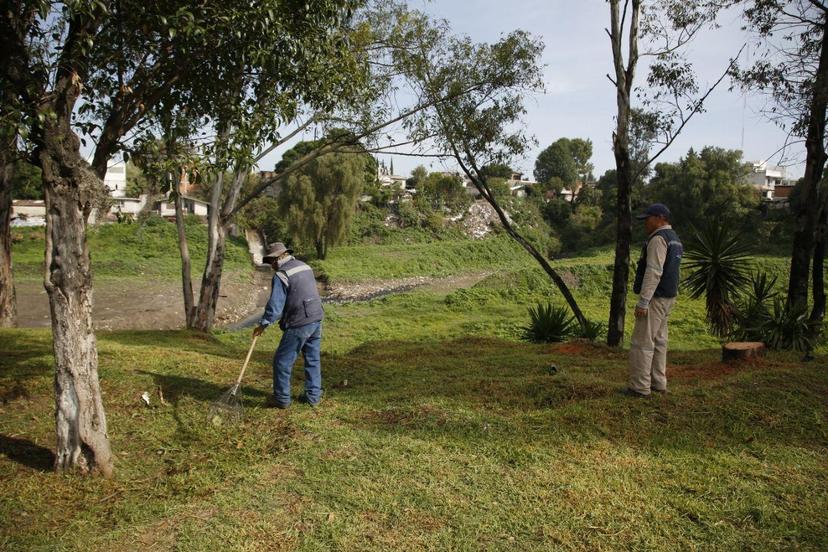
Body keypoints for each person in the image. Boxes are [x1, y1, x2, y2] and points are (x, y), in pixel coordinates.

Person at [253, 242, 324, 408]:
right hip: (316, 316)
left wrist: (263, 325)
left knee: (282, 362)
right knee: (312, 359)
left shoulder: (281, 275)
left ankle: (282, 399)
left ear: (277, 259)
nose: (271, 266)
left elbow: (275, 307)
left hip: (300, 322)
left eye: (271, 262)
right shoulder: (305, 266)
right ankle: (313, 397)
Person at [626, 203, 683, 397]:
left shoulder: (658, 239)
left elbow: (654, 271)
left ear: (660, 218)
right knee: (659, 341)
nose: (646, 223)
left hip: (655, 298)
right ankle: (658, 383)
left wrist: (643, 302)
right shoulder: (674, 239)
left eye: (648, 219)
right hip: (668, 296)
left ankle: (640, 387)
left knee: (642, 342)